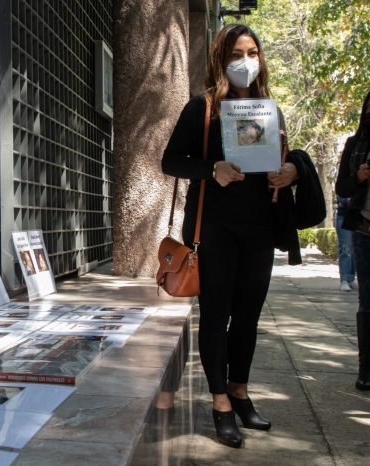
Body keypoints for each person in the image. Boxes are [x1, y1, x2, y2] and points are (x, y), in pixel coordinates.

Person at [161, 24, 307, 448]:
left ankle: (241, 391)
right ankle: (220, 401)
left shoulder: (269, 109)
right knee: (216, 314)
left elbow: (282, 156)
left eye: (254, 52)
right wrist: (212, 169)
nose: (247, 61)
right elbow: (171, 161)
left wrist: (290, 171)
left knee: (249, 316)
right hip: (215, 228)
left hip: (261, 227)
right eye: (237, 53)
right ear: (221, 58)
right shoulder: (203, 107)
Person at [335, 89, 370, 391]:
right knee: (367, 300)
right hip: (364, 229)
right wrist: (358, 178)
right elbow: (341, 188)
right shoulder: (354, 145)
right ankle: (365, 370)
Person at [336, 197, 358, 291]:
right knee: (346, 248)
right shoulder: (345, 183)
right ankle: (344, 280)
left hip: (359, 218)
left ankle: (351, 278)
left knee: (354, 250)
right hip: (344, 217)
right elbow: (344, 201)